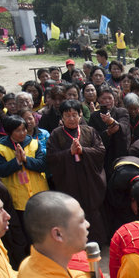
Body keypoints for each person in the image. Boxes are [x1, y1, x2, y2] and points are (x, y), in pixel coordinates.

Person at [46, 100, 108, 243]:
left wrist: (83, 151)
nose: (72, 119)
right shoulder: (56, 134)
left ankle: (98, 241)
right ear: (62, 117)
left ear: (80, 116)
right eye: (68, 116)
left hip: (90, 179)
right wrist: (69, 152)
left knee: (94, 210)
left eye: (75, 115)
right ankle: (77, 242)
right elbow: (51, 158)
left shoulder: (89, 131)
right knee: (72, 211)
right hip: (69, 180)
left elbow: (101, 150)